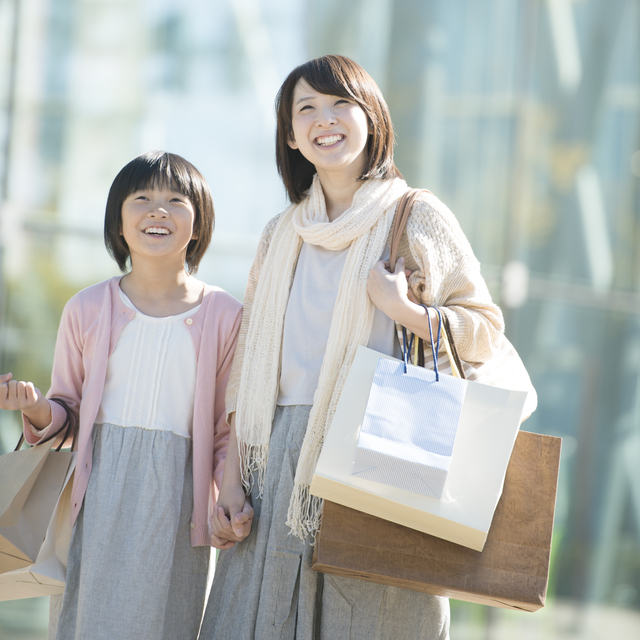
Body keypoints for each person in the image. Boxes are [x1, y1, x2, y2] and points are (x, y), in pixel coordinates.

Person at [200, 55, 505, 640]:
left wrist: (402, 311)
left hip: (380, 443)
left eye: (341, 103)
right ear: (290, 135)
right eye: (306, 109)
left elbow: (484, 330)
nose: (325, 119)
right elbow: (248, 370)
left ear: (373, 117)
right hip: (278, 453)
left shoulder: (414, 215)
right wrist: (231, 476)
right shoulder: (280, 231)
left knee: (369, 614)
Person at [0, 151, 242, 640]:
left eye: (176, 200)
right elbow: (66, 414)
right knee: (86, 619)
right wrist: (34, 407)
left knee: (168, 620)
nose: (158, 210)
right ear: (118, 222)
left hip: (178, 501)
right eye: (142, 199)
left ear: (198, 225)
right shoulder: (86, 307)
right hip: (96, 498)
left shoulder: (226, 314)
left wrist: (227, 496)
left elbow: (226, 429)